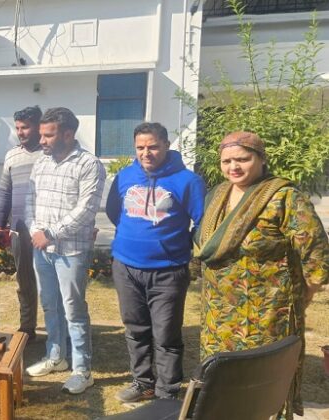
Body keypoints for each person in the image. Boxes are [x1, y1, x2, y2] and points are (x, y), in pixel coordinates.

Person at [194, 131, 328, 419]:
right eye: (226, 161)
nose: (234, 167)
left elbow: (315, 249)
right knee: (223, 377)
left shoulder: (284, 197)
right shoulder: (217, 195)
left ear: (261, 159)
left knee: (262, 381)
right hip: (219, 312)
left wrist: (307, 294)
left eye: (243, 159)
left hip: (267, 313)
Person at [106, 122, 206, 402]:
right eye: (140, 147)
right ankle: (143, 383)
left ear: (166, 146)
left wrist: (178, 245)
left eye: (153, 146)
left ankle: (167, 393)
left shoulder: (188, 181)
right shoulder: (125, 176)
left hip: (168, 271)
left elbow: (202, 222)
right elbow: (114, 212)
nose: (146, 153)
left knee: (166, 335)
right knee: (135, 329)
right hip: (126, 268)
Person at [24, 107, 105, 394]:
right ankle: (56, 356)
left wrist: (50, 234)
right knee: (50, 305)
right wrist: (35, 230)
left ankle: (82, 371)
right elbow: (30, 200)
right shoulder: (41, 162)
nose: (41, 141)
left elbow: (86, 209)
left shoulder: (89, 164)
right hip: (42, 249)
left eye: (48, 135)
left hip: (71, 251)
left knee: (74, 310)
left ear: (68, 134)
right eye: (41, 134)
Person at [0, 106, 42, 341]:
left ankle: (59, 330)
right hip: (19, 230)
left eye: (25, 127)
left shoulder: (50, 154)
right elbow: (5, 192)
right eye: (18, 128)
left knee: (51, 283)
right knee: (24, 281)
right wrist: (0, 226)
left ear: (38, 126)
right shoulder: (12, 155)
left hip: (46, 231)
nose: (20, 132)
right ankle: (27, 327)